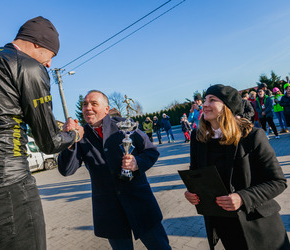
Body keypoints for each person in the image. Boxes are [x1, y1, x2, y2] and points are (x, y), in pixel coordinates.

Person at [0, 16, 84, 250]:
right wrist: (74, 135)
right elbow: (49, 142)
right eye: (51, 55)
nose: (49, 64)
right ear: (38, 44)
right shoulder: (29, 66)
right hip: (3, 185)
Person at [58, 90, 171, 250]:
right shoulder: (80, 135)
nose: (87, 108)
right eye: (85, 104)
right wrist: (68, 140)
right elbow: (66, 170)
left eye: (93, 104)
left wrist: (137, 163)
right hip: (109, 211)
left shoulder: (124, 125)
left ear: (106, 108)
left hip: (140, 204)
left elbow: (151, 151)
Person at [184, 84, 289, 250]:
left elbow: (278, 181)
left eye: (212, 100)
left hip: (260, 227)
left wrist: (242, 198)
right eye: (204, 100)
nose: (204, 104)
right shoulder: (198, 141)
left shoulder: (252, 136)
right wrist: (191, 192)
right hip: (226, 228)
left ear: (227, 107)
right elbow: (196, 176)